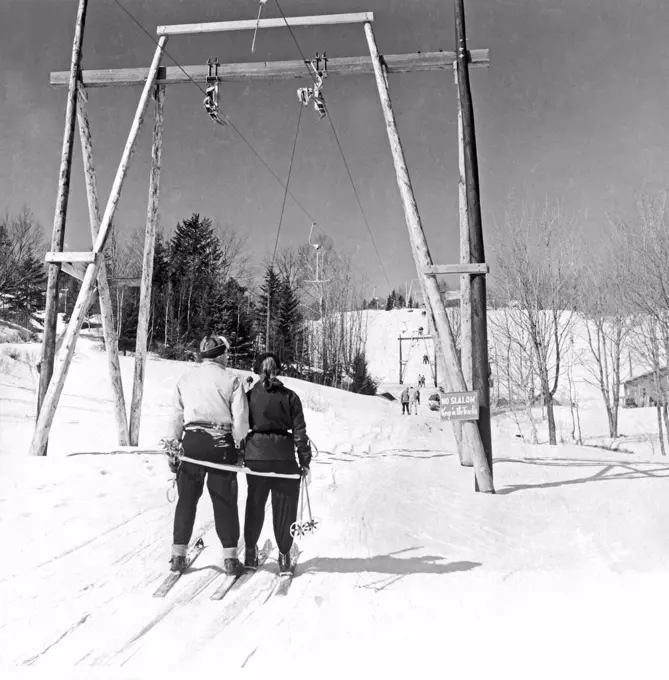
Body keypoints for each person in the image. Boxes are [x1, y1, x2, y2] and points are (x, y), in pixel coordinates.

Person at [164, 335, 249, 574]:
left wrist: (173, 447)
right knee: (225, 501)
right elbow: (241, 421)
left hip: (191, 442)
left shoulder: (185, 380)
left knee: (187, 500)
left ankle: (178, 553)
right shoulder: (232, 380)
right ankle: (230, 558)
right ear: (222, 354)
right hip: (221, 443)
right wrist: (240, 446)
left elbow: (176, 418)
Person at [243, 353, 312, 574]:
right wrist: (305, 460)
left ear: (257, 370)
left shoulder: (249, 396)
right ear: (278, 370)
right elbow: (300, 432)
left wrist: (240, 452)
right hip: (283, 458)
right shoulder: (290, 397)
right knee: (284, 507)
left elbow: (241, 427)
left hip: (255, 457)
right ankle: (283, 556)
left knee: (255, 504)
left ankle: (251, 553)